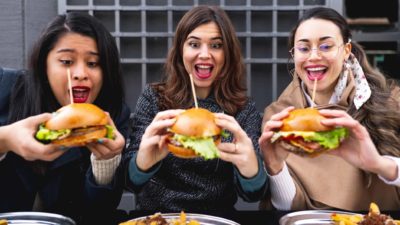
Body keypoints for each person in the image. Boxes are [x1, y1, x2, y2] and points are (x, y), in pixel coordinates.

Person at [123, 5, 268, 211]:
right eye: (194, 44)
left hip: (217, 218)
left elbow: (253, 195)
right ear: (180, 50)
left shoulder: (243, 109)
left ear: (228, 53)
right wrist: (142, 162)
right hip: (158, 217)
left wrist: (251, 169)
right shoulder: (154, 99)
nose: (205, 54)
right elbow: (130, 183)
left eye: (216, 45)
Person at [259, 7, 400, 211]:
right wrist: (274, 168)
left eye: (326, 46)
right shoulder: (279, 117)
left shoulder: (393, 101)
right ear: (294, 54)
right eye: (304, 48)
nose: (314, 56)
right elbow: (288, 208)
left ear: (346, 51)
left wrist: (379, 165)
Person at [0, 12, 131, 224]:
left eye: (93, 63)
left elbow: (97, 213)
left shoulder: (111, 118)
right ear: (44, 64)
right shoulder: (4, 86)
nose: (80, 73)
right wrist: (5, 139)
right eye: (67, 61)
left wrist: (105, 164)